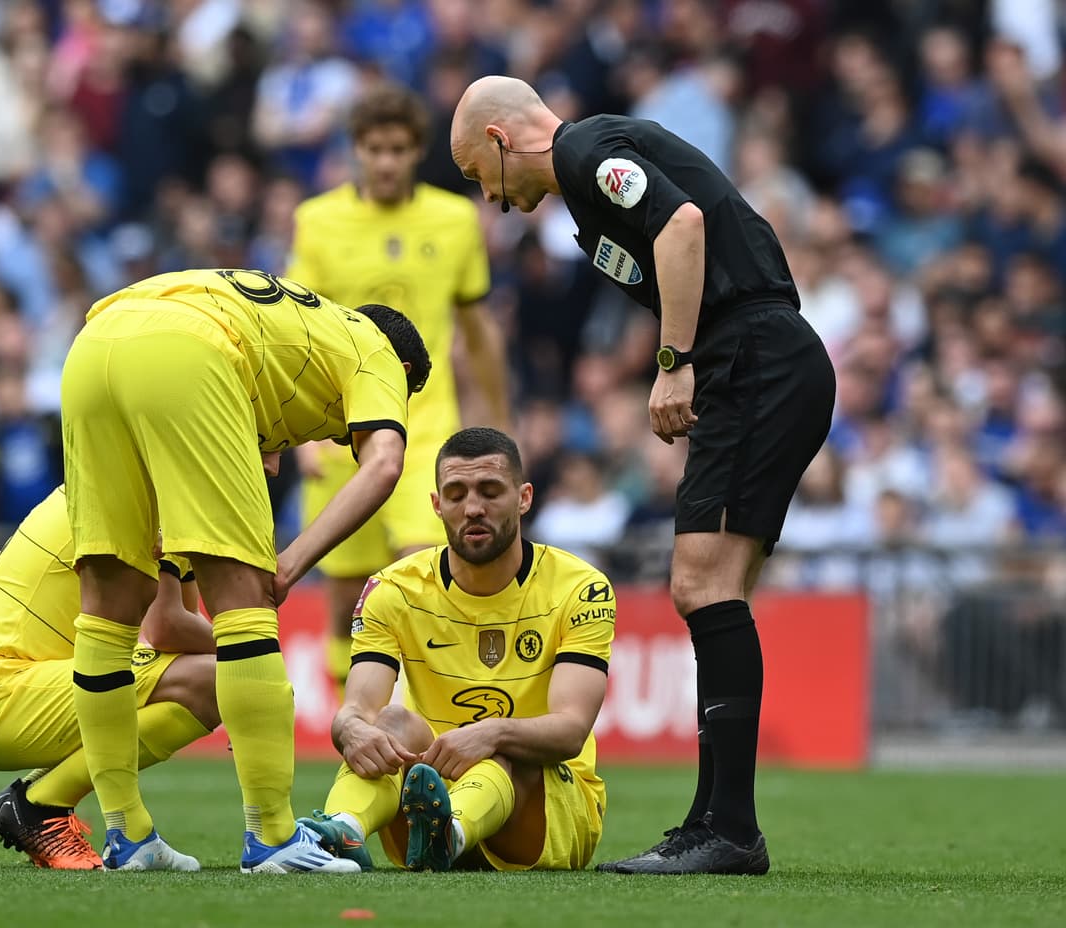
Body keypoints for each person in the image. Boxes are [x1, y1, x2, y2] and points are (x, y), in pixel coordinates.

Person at [450, 76, 837, 875]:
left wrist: (674, 362)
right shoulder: (590, 187)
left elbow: (684, 226)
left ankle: (728, 829)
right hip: (764, 356)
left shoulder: (585, 150)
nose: (492, 200)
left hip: (750, 358)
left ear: (497, 141)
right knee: (716, 592)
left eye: (477, 177)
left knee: (701, 587)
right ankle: (717, 821)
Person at [59, 268, 430, 874]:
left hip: (95, 343)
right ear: (407, 375)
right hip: (190, 353)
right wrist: (291, 562)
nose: (345, 435)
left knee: (108, 605)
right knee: (245, 602)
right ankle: (274, 837)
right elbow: (385, 464)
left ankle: (127, 834)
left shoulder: (303, 327)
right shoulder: (376, 350)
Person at [299, 427, 613, 873]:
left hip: (546, 815)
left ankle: (450, 832)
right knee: (388, 723)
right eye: (456, 493)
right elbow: (357, 708)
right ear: (436, 504)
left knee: (507, 749)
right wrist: (351, 730)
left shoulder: (580, 587)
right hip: (428, 794)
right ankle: (339, 829)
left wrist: (493, 733)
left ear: (524, 498)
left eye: (490, 492)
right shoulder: (392, 589)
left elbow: (570, 731)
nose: (473, 509)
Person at [286, 82, 507, 696]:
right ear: (356, 150)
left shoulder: (456, 219)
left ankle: (422, 717)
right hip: (339, 425)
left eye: (398, 149)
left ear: (417, 152)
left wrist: (497, 415)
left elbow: (479, 328)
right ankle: (351, 725)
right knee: (341, 598)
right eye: (374, 149)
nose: (386, 161)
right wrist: (299, 435)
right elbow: (298, 330)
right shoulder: (317, 222)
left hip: (427, 423)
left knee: (423, 564)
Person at [0, 473, 248, 870]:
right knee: (215, 680)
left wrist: (247, 682)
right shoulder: (149, 496)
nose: (273, 467)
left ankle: (41, 798)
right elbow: (166, 628)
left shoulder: (144, 483)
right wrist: (255, 674)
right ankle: (40, 805)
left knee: (219, 678)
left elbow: (180, 624)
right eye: (265, 449)